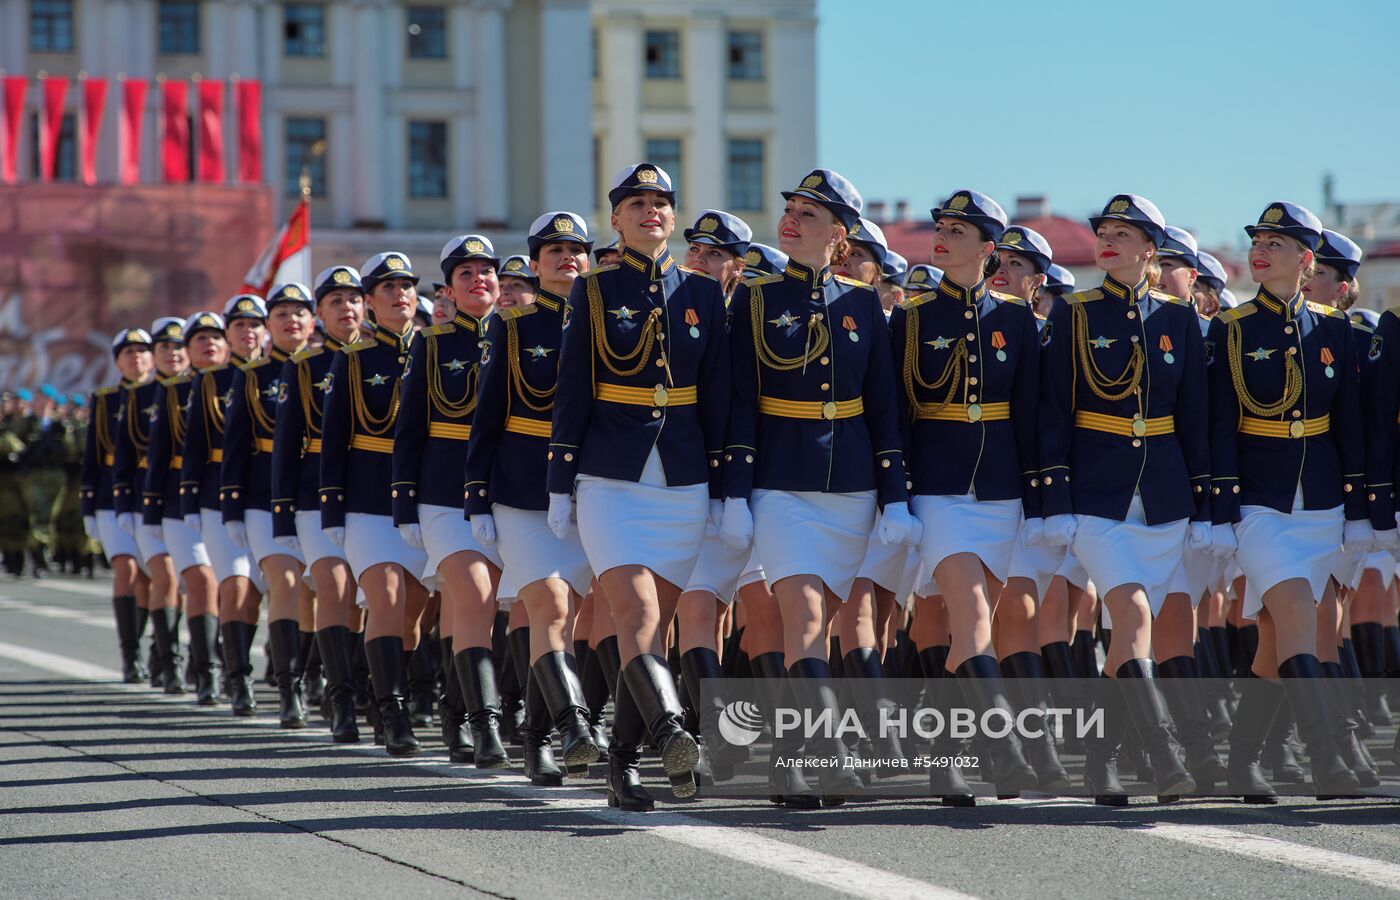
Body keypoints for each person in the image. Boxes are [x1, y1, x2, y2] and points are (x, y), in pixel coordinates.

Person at [722, 168, 915, 805]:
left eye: (809, 214)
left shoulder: (863, 305)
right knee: (803, 613)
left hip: (851, 486)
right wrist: (736, 491)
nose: (792, 221)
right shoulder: (754, 299)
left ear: (839, 235)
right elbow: (741, 402)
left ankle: (797, 754)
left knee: (819, 627)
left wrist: (893, 495)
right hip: (781, 481)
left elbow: (883, 407)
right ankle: (823, 753)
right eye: (791, 210)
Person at [548, 163, 728, 809]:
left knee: (654, 633)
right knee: (637, 613)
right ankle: (673, 729)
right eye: (637, 202)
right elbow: (572, 390)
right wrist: (560, 480)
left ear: (673, 217)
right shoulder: (592, 290)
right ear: (616, 219)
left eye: (661, 202)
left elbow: (720, 396)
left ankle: (622, 764)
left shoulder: (703, 292)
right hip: (611, 477)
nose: (651, 210)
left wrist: (727, 485)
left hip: (683, 479)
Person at [1039, 194, 1204, 804]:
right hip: (1095, 494)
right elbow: (1052, 409)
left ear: (1150, 249)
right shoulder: (1075, 312)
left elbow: (1195, 417)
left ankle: (1099, 759)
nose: (1107, 241)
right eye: (1103, 232)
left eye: (1122, 233)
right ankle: (1164, 756)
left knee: (1132, 635)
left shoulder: (1179, 318)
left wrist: (1206, 502)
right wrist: (1054, 495)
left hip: (1161, 495)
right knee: (1132, 617)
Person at [1209, 203, 1371, 801]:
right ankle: (1328, 759)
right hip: (1260, 503)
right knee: (1300, 613)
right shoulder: (1231, 328)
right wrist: (1219, 510)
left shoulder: (1334, 330)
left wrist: (1359, 508)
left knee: (1278, 640)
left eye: (1274, 244)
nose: (1260, 251)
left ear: (1306, 259)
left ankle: (1242, 761)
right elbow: (1217, 425)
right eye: (1257, 242)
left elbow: (1350, 425)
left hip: (1321, 503)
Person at [894, 197, 1052, 801]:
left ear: (988, 249)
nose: (941, 237)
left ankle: (943, 755)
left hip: (1000, 490)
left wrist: (1039, 497)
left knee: (969, 628)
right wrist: (895, 493)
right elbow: (895, 412)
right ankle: (1004, 748)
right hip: (938, 488)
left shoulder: (1017, 320)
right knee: (972, 612)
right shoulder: (910, 317)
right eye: (940, 228)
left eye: (957, 231)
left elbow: (1033, 415)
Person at [466, 212, 603, 785]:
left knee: (573, 616)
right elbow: (487, 415)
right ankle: (572, 726)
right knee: (548, 605)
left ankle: (537, 736)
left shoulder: (609, 319)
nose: (567, 257)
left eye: (576, 249)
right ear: (535, 263)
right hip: (523, 486)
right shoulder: (513, 326)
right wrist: (477, 494)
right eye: (553, 250)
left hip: (592, 488)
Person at [393, 236, 510, 770]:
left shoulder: (520, 336)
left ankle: (455, 710)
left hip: (507, 492)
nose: (478, 279)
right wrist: (404, 503)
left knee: (481, 610)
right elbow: (409, 430)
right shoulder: (432, 345)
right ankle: (486, 724)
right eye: (466, 273)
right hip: (446, 493)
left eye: (487, 271)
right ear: (448, 290)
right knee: (475, 597)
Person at [321, 252, 431, 756]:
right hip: (370, 497)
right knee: (385, 598)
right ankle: (393, 712)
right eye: (387, 287)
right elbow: (334, 439)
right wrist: (332, 507)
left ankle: (382, 688)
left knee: (412, 612)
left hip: (426, 497)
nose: (399, 294)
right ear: (369, 301)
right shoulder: (354, 359)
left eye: (405, 286)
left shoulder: (435, 350)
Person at [674, 208, 765, 782]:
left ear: (737, 267)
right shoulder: (672, 308)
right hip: (691, 481)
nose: (702, 262)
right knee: (698, 609)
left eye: (715, 255)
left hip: (755, 486)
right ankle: (718, 734)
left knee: (750, 613)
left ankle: (721, 725)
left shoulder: (753, 316)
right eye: (696, 251)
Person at [271, 266, 368, 743]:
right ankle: (341, 698)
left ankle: (355, 683)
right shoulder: (304, 366)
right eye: (335, 301)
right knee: (334, 588)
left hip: (370, 493)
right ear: (319, 316)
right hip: (316, 496)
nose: (346, 308)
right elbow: (286, 445)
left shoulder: (385, 356)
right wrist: (283, 513)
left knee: (366, 599)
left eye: (353, 299)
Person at [222, 283, 316, 727]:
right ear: (269, 327)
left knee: (319, 592)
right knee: (285, 584)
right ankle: (286, 686)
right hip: (264, 498)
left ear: (311, 322)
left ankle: (315, 674)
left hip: (316, 494)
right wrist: (232, 507)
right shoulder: (253, 376)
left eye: (299, 313)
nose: (291, 321)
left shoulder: (330, 366)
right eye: (281, 314)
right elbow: (235, 446)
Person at [181, 296, 268, 716]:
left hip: (269, 495)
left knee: (255, 594)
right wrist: (190, 500)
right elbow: (195, 446)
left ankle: (234, 658)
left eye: (254, 325)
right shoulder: (212, 382)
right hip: (220, 497)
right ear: (229, 334)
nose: (247, 332)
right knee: (234, 583)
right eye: (239, 326)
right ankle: (237, 677)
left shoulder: (284, 372)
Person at [143, 312, 222, 705]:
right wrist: (151, 510)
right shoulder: (175, 392)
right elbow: (158, 456)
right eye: (199, 339)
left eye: (215, 337)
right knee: (197, 581)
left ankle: (205, 657)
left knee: (229, 589)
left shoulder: (242, 382)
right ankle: (195, 667)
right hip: (179, 502)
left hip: (228, 501)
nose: (208, 345)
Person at [112, 316, 191, 693]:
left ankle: (164, 652)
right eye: (165, 347)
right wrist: (124, 504)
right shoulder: (140, 396)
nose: (173, 353)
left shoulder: (201, 389)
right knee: (165, 576)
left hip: (193, 498)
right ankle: (165, 658)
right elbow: (124, 456)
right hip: (148, 500)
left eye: (179, 346)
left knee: (191, 581)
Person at [82, 328, 155, 682]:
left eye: (142, 351)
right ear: (117, 362)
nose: (136, 357)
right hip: (111, 498)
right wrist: (88, 506)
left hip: (150, 495)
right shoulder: (106, 400)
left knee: (150, 577)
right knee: (126, 568)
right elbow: (93, 456)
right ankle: (130, 654)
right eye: (128, 352)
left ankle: (152, 647)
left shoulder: (165, 393)